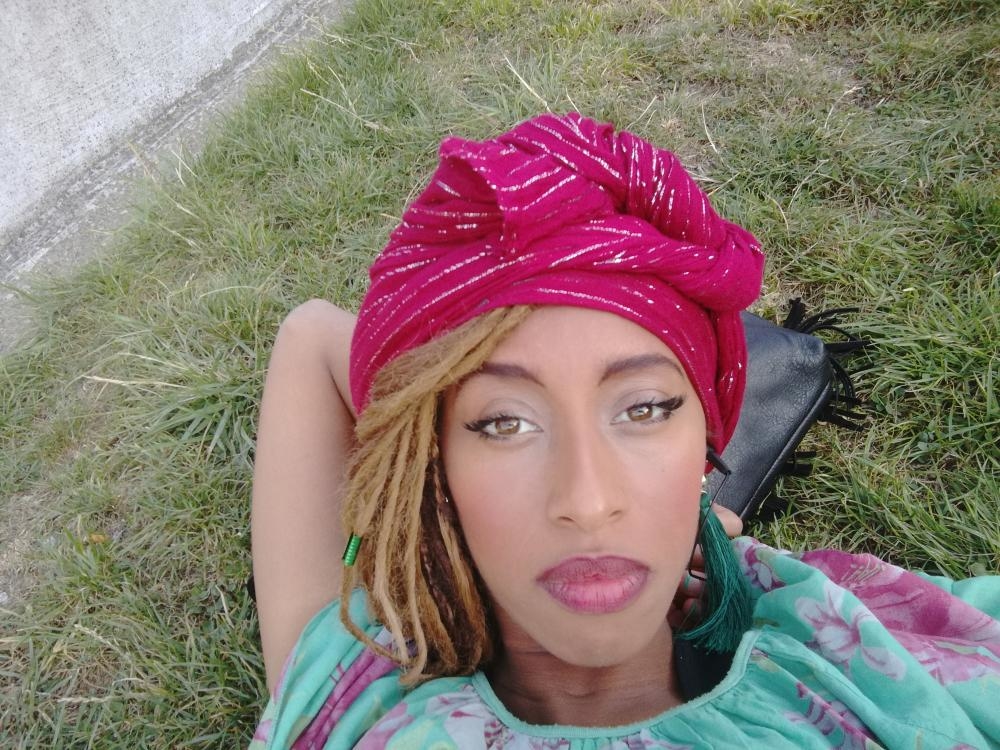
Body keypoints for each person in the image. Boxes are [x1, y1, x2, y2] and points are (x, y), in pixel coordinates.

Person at [249, 113, 1000, 749]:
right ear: (435, 471)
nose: (589, 501)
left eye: (644, 410)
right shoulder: (361, 678)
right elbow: (312, 337)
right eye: (504, 422)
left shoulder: (350, 690)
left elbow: (316, 334)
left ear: (705, 448)